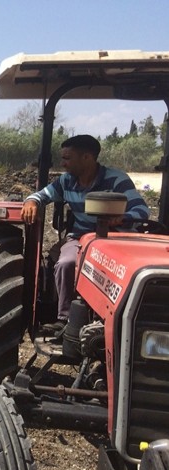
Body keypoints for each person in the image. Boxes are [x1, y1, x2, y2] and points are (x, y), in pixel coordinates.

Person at [21, 134, 149, 334]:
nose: (63, 164)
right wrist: (32, 201)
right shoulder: (66, 181)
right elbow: (42, 195)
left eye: (67, 158)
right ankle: (65, 320)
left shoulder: (116, 179)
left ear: (87, 158)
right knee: (66, 263)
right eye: (62, 158)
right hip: (82, 237)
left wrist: (121, 217)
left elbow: (141, 210)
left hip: (116, 238)